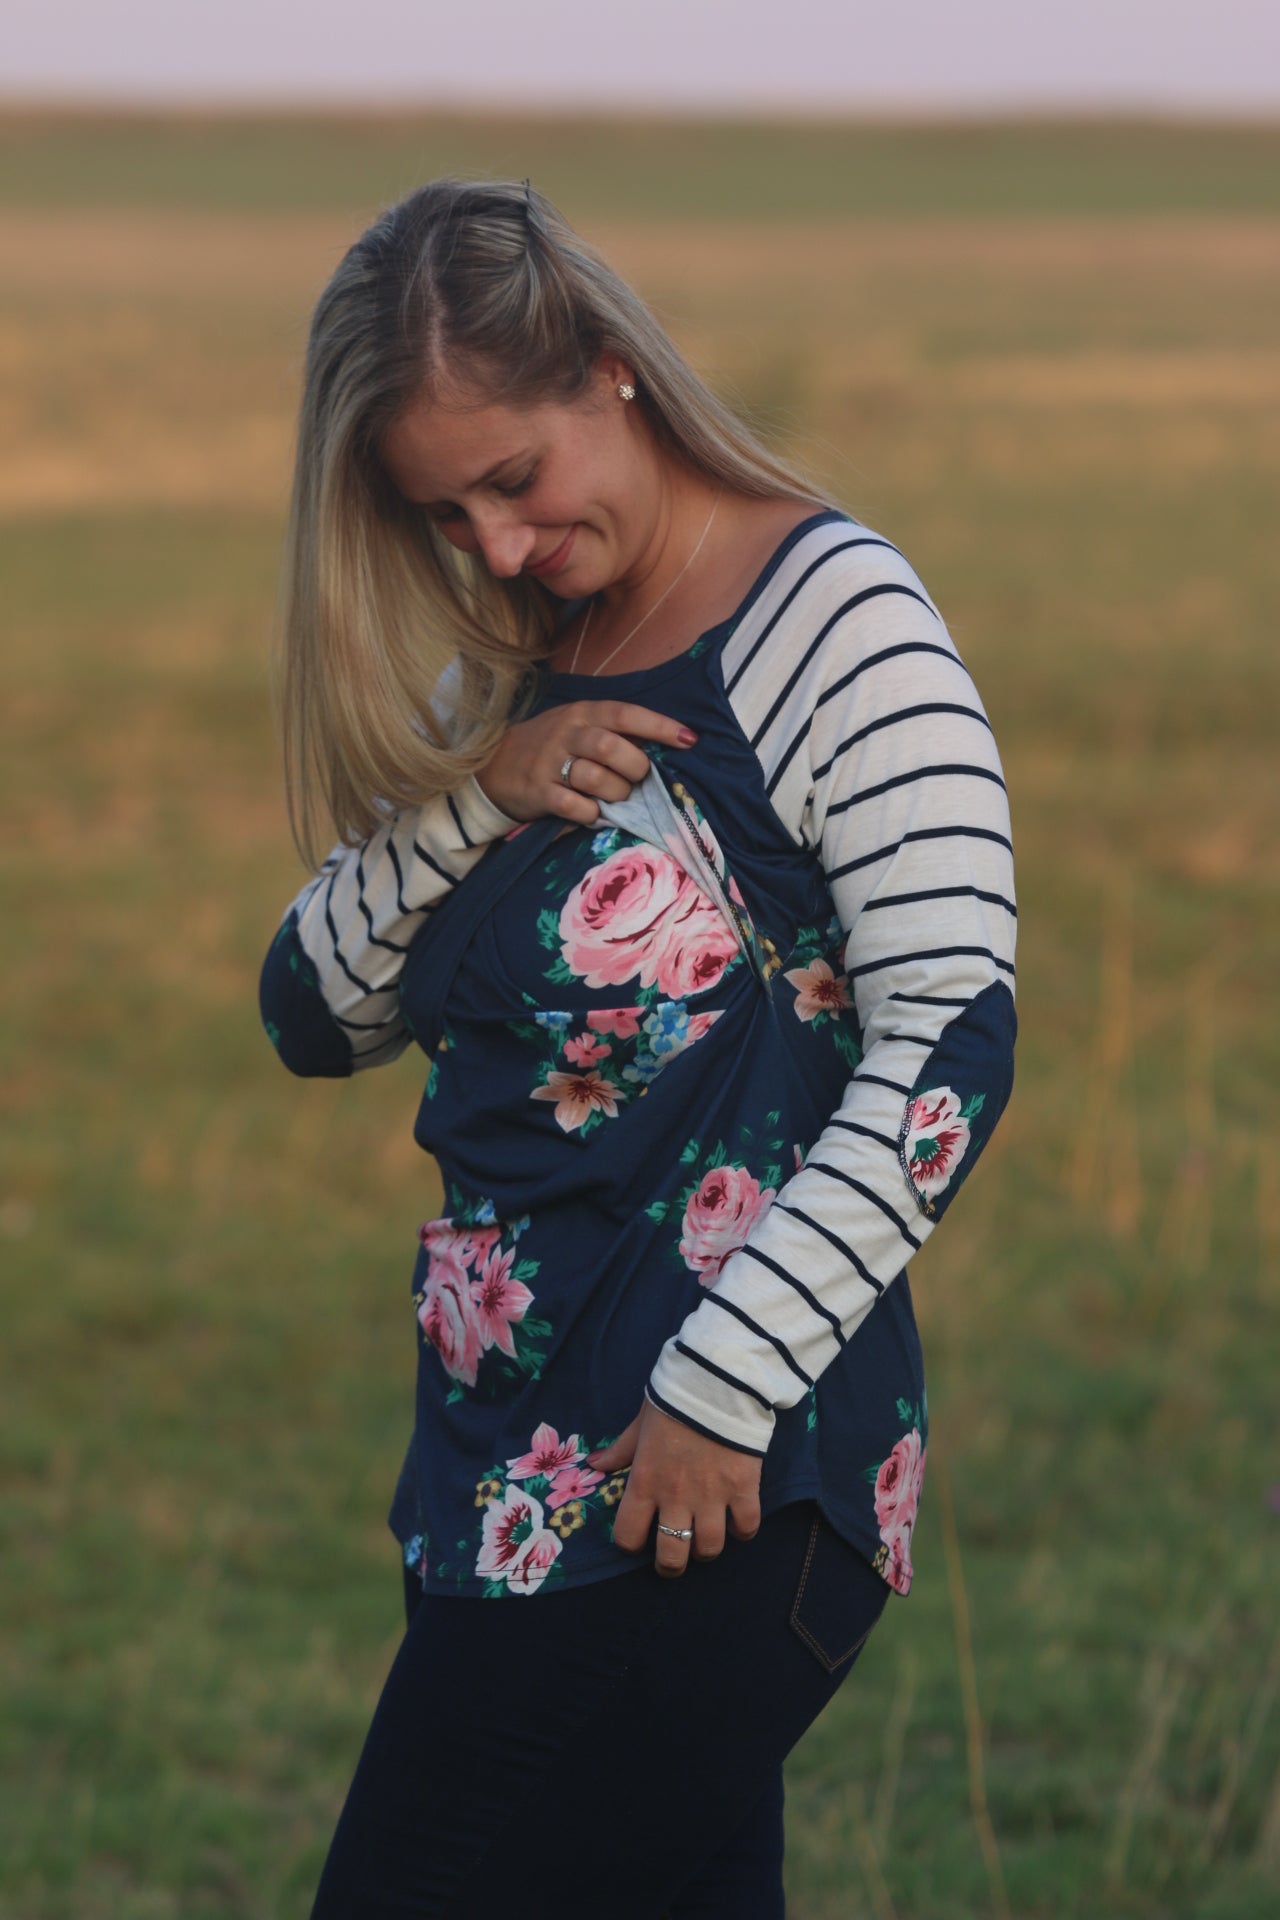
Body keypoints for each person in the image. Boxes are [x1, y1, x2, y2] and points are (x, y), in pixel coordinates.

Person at [259, 177, 1017, 1919]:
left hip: (709, 1482)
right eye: (445, 517)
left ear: (607, 370)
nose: (498, 551)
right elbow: (310, 1013)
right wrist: (472, 802)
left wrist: (717, 1389)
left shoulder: (834, 618)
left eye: (511, 483)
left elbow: (953, 1047)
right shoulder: (511, 666)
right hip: (491, 1485)